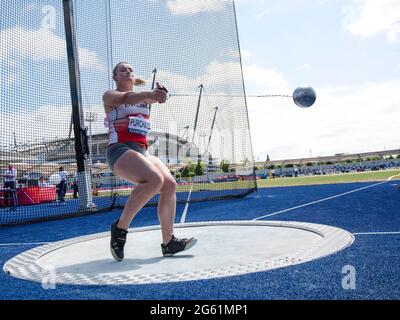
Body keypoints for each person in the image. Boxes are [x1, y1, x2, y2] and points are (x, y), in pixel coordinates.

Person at [103, 61, 197, 261]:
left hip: (142, 151)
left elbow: (153, 97)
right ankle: (120, 229)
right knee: (154, 180)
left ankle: (169, 242)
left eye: (130, 69)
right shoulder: (110, 96)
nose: (127, 71)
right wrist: (152, 95)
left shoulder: (145, 100)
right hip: (119, 149)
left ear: (134, 76)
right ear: (115, 77)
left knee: (169, 184)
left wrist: (161, 94)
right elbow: (128, 97)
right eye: (122, 69)